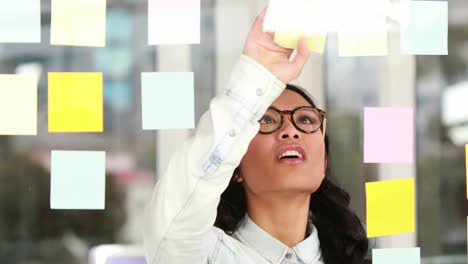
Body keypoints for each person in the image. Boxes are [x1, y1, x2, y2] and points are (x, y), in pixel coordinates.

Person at [144, 7, 369, 264]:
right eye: (267, 120)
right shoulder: (202, 254)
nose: (290, 130)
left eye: (306, 119)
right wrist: (256, 75)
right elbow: (185, 195)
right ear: (235, 166)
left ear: (325, 161)